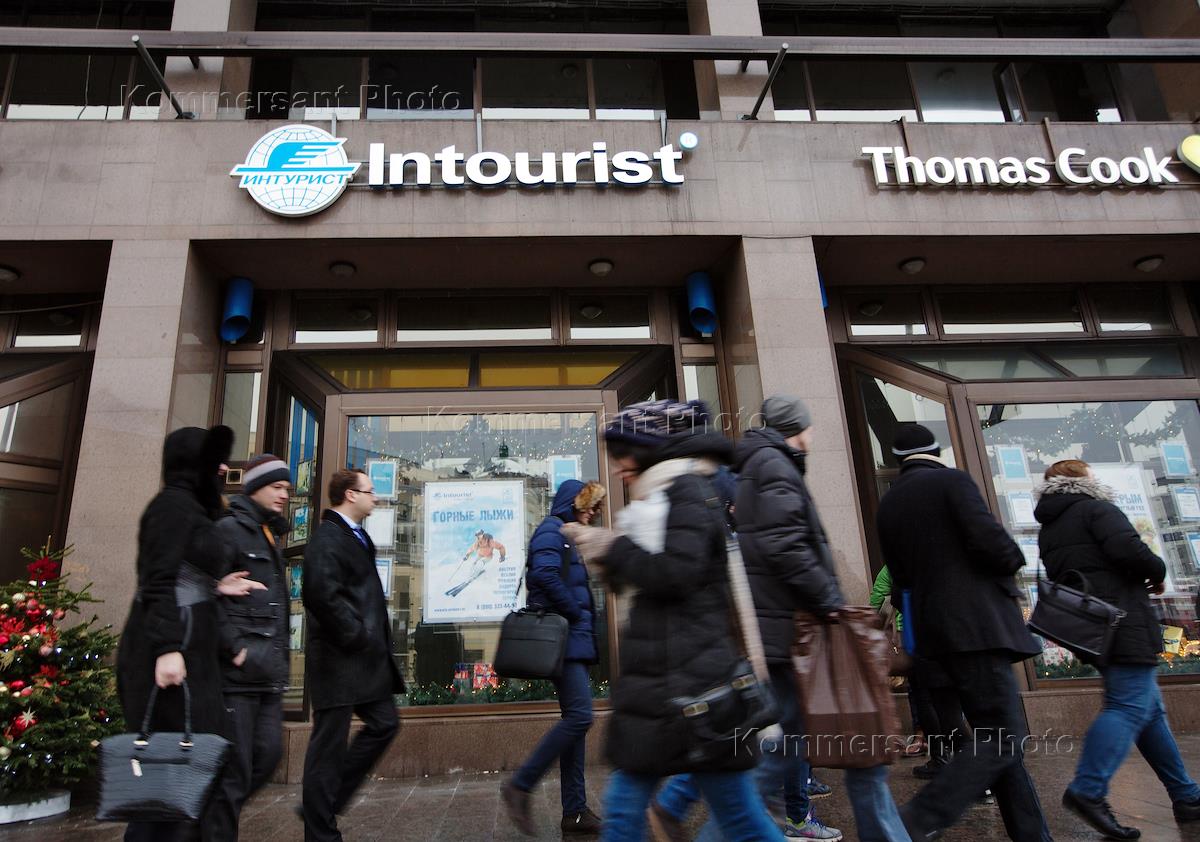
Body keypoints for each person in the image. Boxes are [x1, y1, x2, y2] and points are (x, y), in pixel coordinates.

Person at [566, 399, 785, 842]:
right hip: (671, 684)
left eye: (624, 454)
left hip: (689, 686)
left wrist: (612, 547)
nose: (619, 467)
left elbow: (675, 573)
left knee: (734, 819)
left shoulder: (684, 490)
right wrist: (612, 556)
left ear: (649, 450)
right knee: (639, 812)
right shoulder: (670, 492)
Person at [736, 396, 906, 842]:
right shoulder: (774, 465)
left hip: (781, 626)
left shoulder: (763, 464)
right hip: (790, 626)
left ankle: (754, 818)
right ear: (797, 427)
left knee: (792, 739)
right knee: (795, 741)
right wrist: (830, 601)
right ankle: (736, 822)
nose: (813, 434)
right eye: (809, 426)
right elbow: (786, 546)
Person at [875, 423, 1052, 842]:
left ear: (898, 460)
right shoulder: (953, 482)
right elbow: (995, 546)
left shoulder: (889, 505)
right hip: (977, 629)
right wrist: (1011, 560)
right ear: (936, 451)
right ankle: (918, 817)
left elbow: (900, 579)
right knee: (1004, 737)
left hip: (934, 637)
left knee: (997, 741)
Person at [116, 425, 266, 842]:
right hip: (167, 657)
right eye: (213, 461)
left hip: (190, 653)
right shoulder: (171, 507)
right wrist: (167, 650)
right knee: (170, 777)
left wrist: (216, 585)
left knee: (192, 771)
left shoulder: (190, 508)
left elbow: (184, 573)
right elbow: (157, 581)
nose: (222, 468)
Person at [1036, 459, 1200, 838]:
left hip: (1094, 626)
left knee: (1149, 710)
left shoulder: (1051, 525)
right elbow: (1130, 551)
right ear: (1082, 479)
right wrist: (1157, 571)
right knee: (1127, 706)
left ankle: (1186, 795)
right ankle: (1089, 788)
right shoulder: (1096, 509)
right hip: (1123, 619)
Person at [301, 468, 406, 842]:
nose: (375, 497)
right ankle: (320, 830)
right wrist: (356, 634)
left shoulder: (356, 535)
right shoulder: (328, 538)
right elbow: (319, 594)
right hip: (338, 660)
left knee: (385, 723)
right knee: (327, 749)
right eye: (369, 491)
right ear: (350, 495)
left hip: (362, 661)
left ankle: (325, 800)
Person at [502, 479, 606, 836]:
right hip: (565, 640)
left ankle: (574, 810)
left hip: (573, 641)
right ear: (573, 503)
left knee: (575, 723)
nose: (593, 513)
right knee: (580, 717)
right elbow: (544, 574)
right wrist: (574, 613)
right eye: (589, 506)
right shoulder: (551, 530)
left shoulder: (567, 535)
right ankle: (520, 785)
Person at [209, 454, 293, 840]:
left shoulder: (268, 534)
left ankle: (208, 820)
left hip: (267, 674)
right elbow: (199, 591)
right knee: (235, 771)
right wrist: (235, 649)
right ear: (255, 487)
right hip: (237, 677)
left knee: (268, 755)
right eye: (276, 487)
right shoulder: (228, 530)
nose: (284, 495)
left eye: (287, 488)